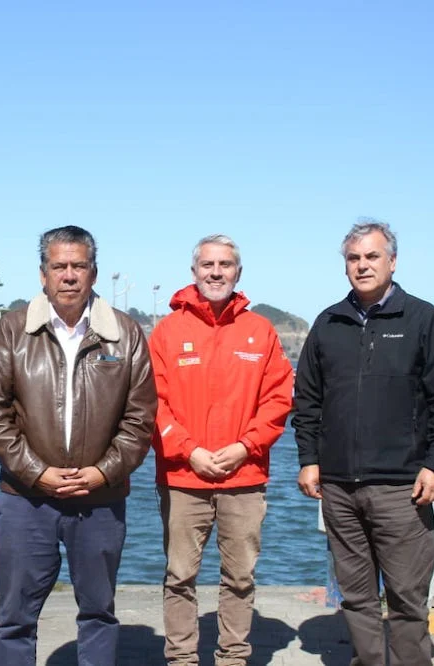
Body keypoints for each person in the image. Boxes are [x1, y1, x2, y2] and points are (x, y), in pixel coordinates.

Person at [0, 225, 157, 666]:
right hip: (25, 499)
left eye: (79, 266)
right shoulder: (15, 328)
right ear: (43, 274)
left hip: (101, 499)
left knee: (98, 613)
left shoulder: (126, 333)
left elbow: (140, 419)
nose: (70, 275)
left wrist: (103, 472)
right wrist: (36, 471)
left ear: (93, 273)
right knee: (15, 617)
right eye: (60, 266)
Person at [292, 220, 434, 666]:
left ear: (392, 261)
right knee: (356, 596)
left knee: (408, 597)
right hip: (338, 487)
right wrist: (309, 459)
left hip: (401, 489)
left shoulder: (424, 319)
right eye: (354, 258)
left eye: (372, 256)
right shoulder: (329, 322)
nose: (363, 265)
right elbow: (307, 398)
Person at [150, 234, 293, 666]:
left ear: (238, 272)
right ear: (194, 272)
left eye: (225, 265)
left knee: (240, 577)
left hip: (244, 477)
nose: (216, 272)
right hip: (182, 476)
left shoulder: (260, 331)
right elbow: (151, 402)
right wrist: (188, 450)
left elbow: (280, 397)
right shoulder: (167, 331)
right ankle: (182, 659)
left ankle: (233, 657)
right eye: (208, 265)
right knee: (179, 577)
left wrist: (245, 446)